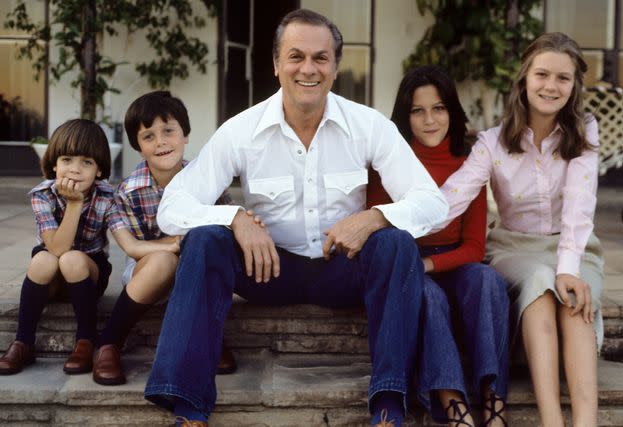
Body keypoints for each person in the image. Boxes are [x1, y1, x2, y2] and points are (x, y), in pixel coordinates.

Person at [143, 8, 448, 427]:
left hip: (343, 268)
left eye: (321, 58)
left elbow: (433, 203)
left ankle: (388, 406)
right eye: (296, 56)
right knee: (204, 239)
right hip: (268, 269)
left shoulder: (368, 125)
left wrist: (374, 217)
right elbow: (172, 208)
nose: (309, 68)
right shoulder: (241, 130)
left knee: (395, 241)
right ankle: (189, 408)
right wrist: (235, 218)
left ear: (336, 66)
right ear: (276, 64)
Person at [436, 33, 603, 426]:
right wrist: (386, 221)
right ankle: (550, 420)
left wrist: (569, 267)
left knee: (575, 293)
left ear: (575, 85)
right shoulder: (492, 142)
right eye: (542, 74)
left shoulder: (586, 130)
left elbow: (579, 205)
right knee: (540, 280)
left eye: (563, 78)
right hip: (513, 247)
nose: (551, 86)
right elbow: (451, 199)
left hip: (573, 246)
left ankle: (586, 422)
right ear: (524, 78)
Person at [368, 65, 510, 427]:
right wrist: (420, 268)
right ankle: (453, 406)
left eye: (439, 108)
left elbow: (475, 247)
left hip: (452, 262)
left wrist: (432, 265)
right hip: (407, 264)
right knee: (428, 296)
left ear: (452, 111)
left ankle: (494, 401)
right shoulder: (389, 161)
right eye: (418, 111)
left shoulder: (470, 161)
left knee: (488, 281)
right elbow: (382, 232)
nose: (430, 120)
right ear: (405, 116)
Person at [0, 119, 178, 376]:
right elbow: (57, 248)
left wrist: (172, 244)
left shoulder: (108, 196)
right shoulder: (42, 195)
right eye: (67, 160)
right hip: (50, 274)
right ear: (54, 164)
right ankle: (23, 342)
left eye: (87, 162)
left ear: (99, 170)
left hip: (87, 271)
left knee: (72, 259)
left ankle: (86, 339)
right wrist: (74, 204)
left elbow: (124, 242)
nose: (75, 169)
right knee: (44, 260)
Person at [92, 91, 237, 386]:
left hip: (197, 270)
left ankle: (207, 336)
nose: (161, 142)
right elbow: (135, 250)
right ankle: (108, 342)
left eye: (169, 131)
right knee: (162, 261)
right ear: (139, 147)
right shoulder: (129, 191)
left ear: (185, 135)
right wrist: (175, 245)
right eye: (149, 136)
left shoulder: (209, 181)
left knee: (208, 256)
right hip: (148, 273)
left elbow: (223, 234)